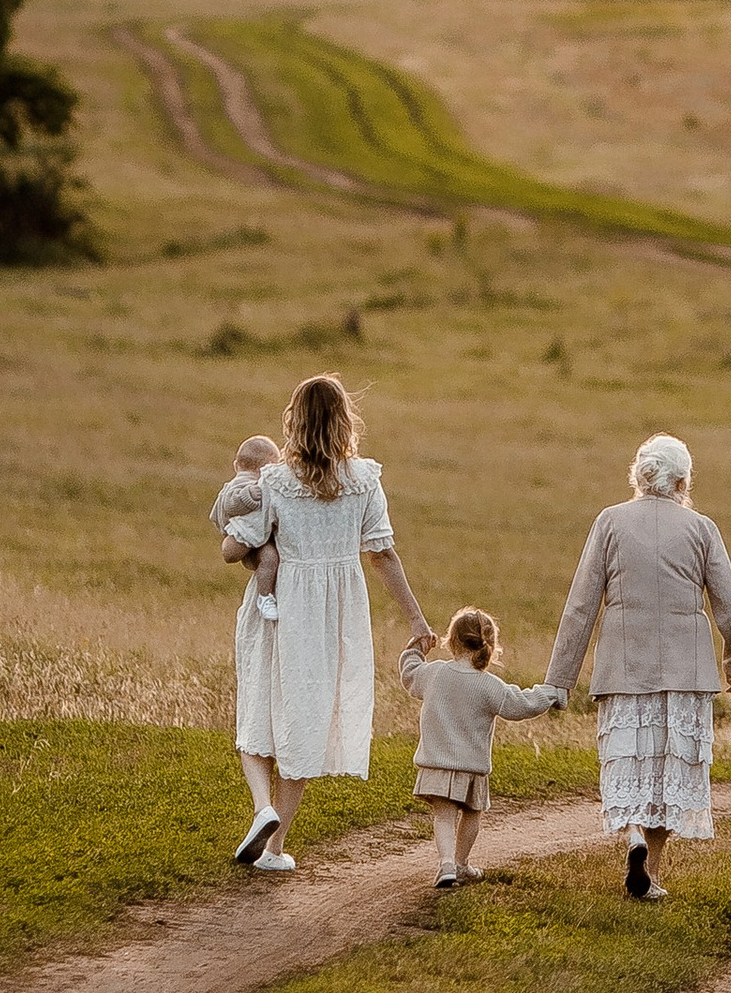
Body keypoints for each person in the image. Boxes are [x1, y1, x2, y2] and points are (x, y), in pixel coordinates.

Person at [224, 372, 433, 872]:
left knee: (259, 706)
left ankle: (263, 809)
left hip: (280, 604)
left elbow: (236, 546)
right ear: (344, 422)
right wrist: (417, 619)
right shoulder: (363, 481)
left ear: (294, 421)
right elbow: (383, 554)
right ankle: (274, 849)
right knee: (305, 718)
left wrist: (251, 545)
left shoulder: (273, 482)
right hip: (335, 613)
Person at [543, 432, 731, 900]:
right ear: (681, 481)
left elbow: (580, 605)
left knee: (629, 761)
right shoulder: (701, 528)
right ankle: (650, 871)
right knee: (667, 771)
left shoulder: (610, 522)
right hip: (685, 671)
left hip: (624, 665)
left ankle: (633, 833)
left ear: (639, 476)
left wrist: (559, 681)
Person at [398, 609, 563, 886]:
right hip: (472, 768)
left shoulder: (435, 673)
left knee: (444, 816)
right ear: (490, 647)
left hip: (436, 763)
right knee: (472, 815)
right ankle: (461, 863)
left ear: (451, 641)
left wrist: (415, 647)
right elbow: (521, 705)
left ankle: (447, 864)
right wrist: (549, 692)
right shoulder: (489, 685)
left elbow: (409, 673)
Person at [211, 429, 283, 621]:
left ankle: (266, 595)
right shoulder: (243, 482)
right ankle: (265, 596)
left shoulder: (254, 482)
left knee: (270, 559)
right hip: (247, 539)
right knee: (269, 558)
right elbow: (230, 504)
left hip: (255, 537)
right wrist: (249, 496)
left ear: (236, 464)